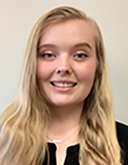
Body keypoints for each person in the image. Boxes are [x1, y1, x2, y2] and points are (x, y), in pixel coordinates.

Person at [0, 6, 128, 165]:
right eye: (48, 55)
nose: (64, 67)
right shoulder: (3, 140)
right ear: (32, 64)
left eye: (80, 55)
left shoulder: (123, 143)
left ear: (98, 66)